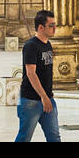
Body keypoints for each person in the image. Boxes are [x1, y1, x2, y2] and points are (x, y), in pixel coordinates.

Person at [16, 10, 59, 142]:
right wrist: (43, 97)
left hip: (47, 99)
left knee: (54, 137)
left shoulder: (48, 44)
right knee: (24, 138)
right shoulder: (31, 46)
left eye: (55, 25)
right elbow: (31, 73)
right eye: (51, 25)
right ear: (41, 27)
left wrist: (47, 97)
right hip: (31, 101)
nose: (54, 28)